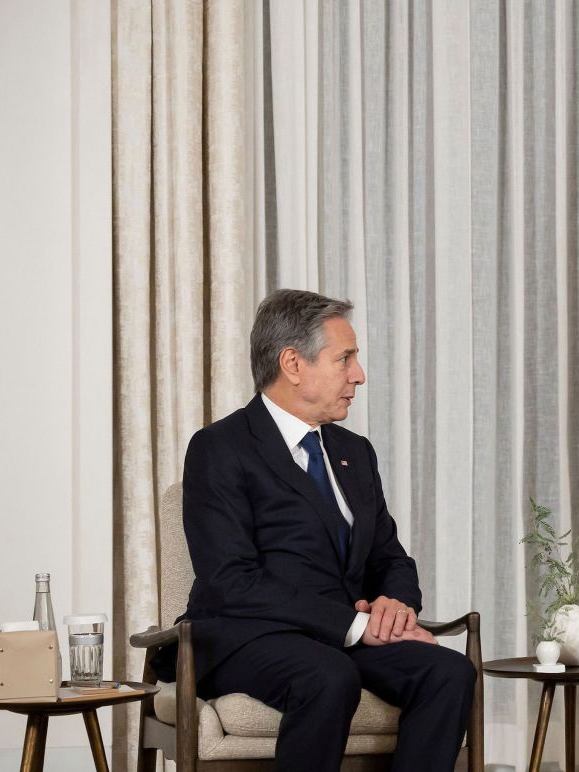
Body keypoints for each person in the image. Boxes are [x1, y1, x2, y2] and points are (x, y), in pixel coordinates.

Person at [160, 289, 474, 772]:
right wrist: (356, 626)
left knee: (448, 671)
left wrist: (396, 603)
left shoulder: (355, 452)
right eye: (345, 358)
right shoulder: (219, 447)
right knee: (327, 675)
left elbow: (389, 556)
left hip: (340, 635)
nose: (359, 375)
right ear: (293, 363)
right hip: (249, 637)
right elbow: (230, 580)